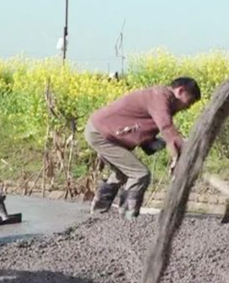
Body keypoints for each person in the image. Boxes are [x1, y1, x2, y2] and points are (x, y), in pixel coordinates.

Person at [85, 77, 201, 220]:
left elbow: (140, 124)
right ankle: (127, 216)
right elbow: (165, 126)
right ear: (180, 90)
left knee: (122, 173)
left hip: (103, 131)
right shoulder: (161, 96)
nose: (187, 107)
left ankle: (98, 212)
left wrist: (153, 143)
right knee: (140, 174)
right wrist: (181, 153)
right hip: (102, 133)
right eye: (188, 102)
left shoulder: (159, 98)